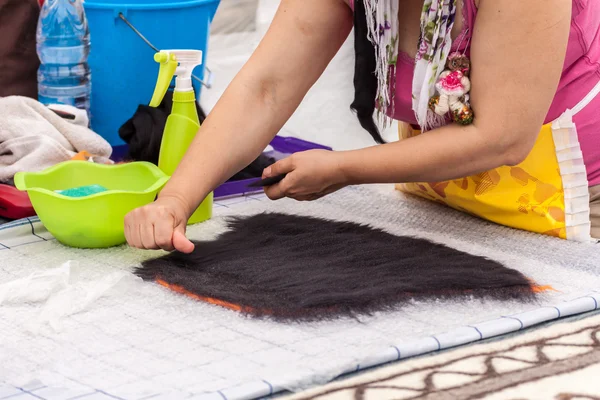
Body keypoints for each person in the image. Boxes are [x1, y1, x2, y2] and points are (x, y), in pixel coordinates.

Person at [124, 0, 600, 252]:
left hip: (576, 202)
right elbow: (265, 88)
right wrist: (175, 200)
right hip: (444, 194)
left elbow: (502, 136)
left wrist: (344, 169)